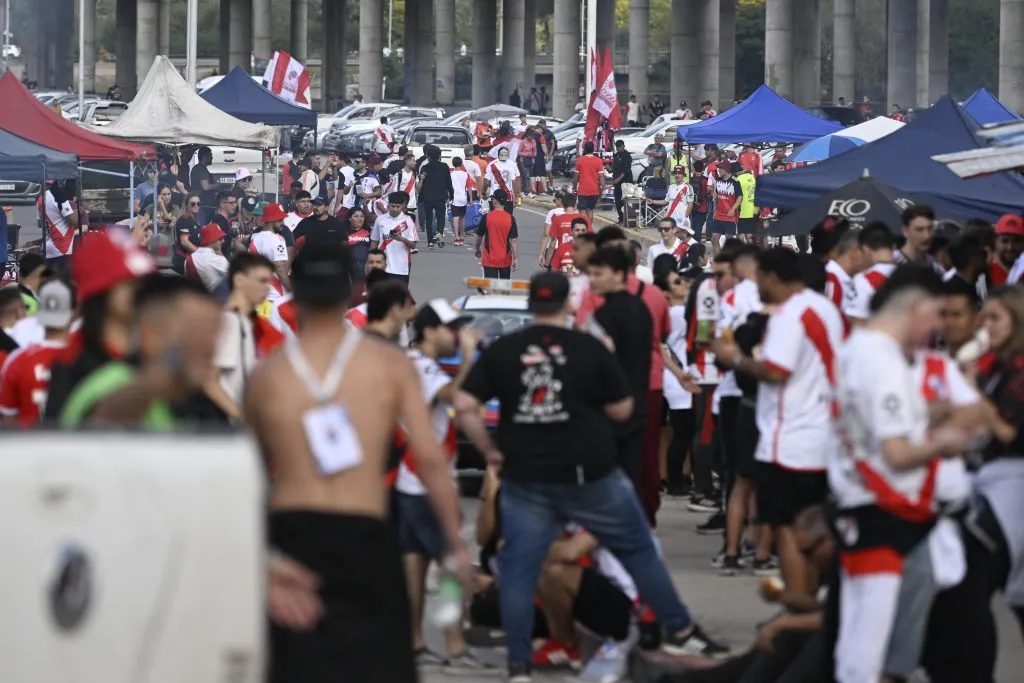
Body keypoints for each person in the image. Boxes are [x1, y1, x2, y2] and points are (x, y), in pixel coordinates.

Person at [455, 271, 727, 681]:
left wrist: (491, 450)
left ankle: (517, 662)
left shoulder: (506, 349)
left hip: (527, 475)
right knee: (638, 548)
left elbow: (464, 402)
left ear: (531, 304)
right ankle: (681, 628)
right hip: (589, 472)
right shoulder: (589, 347)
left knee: (519, 566)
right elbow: (621, 409)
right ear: (567, 303)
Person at [243, 238, 469, 683]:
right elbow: (429, 458)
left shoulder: (268, 375)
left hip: (292, 538)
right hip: (364, 531)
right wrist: (454, 542)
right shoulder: (388, 365)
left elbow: (243, 476)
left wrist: (265, 558)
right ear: (350, 291)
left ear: (296, 293)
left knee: (298, 666)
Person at [827, 265, 971, 683]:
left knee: (855, 643)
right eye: (936, 315)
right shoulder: (885, 362)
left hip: (857, 505)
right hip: (888, 513)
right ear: (915, 307)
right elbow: (897, 452)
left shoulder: (854, 349)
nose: (937, 328)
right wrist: (944, 444)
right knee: (869, 650)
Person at [711, 247, 844, 600]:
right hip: (821, 433)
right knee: (816, 528)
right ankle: (815, 603)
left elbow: (774, 370)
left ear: (771, 278)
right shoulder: (825, 309)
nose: (759, 292)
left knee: (789, 530)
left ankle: (799, 606)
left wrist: (734, 358)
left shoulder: (790, 315)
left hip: (791, 440)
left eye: (760, 283)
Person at [395, 300, 491, 673]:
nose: (456, 336)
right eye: (452, 329)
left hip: (413, 479)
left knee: (416, 563)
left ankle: (415, 643)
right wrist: (468, 357)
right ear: (430, 331)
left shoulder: (416, 362)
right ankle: (454, 645)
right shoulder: (420, 366)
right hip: (424, 482)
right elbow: (454, 397)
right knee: (452, 565)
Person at [59, 275, 223, 429]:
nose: (211, 343)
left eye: (215, 330)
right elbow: (103, 421)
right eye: (197, 330)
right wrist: (163, 373)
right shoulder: (112, 384)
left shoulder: (190, 401)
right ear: (151, 336)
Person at [201, 253, 275, 423]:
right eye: (262, 281)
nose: (268, 288)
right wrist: (242, 418)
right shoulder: (231, 321)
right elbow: (208, 380)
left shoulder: (240, 320)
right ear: (239, 280)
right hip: (228, 431)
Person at [0, 280, 73, 427]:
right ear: (70, 314)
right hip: (71, 446)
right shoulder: (81, 359)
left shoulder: (17, 359)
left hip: (27, 446)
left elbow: (7, 421)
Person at [847, 222, 900, 323]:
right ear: (893, 247)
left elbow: (856, 321)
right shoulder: (914, 275)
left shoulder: (863, 280)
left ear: (865, 249)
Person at [369, 191, 418, 285]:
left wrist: (402, 239)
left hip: (401, 268)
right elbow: (374, 241)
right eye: (393, 206)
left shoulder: (408, 221)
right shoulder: (380, 219)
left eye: (398, 207)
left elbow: (413, 245)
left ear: (402, 206)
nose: (395, 209)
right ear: (388, 205)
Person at [248, 202, 292, 304]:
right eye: (280, 220)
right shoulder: (278, 240)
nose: (283, 223)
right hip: (274, 296)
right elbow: (281, 271)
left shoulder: (255, 238)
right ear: (272, 220)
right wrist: (292, 292)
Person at [474, 189, 519, 279]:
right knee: (504, 287)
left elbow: (479, 236)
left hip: (489, 258)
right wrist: (515, 258)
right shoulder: (510, 218)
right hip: (505, 258)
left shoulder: (487, 217)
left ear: (495, 201)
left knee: (490, 286)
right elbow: (514, 240)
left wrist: (477, 248)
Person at [417, 146, 454, 249]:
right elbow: (448, 182)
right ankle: (440, 234)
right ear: (439, 156)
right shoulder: (444, 166)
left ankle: (430, 242)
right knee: (441, 217)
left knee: (429, 219)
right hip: (441, 196)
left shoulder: (425, 168)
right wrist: (451, 194)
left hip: (428, 196)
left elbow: (422, 184)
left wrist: (420, 197)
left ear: (428, 156)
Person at [184, 224, 230, 292]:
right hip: (216, 299)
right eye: (220, 238)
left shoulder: (188, 258)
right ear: (212, 240)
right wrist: (221, 254)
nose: (223, 241)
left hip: (195, 298)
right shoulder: (215, 259)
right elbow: (235, 275)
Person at [449, 157, 477, 248]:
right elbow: (469, 187)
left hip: (454, 199)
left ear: (453, 164)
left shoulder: (451, 174)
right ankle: (462, 237)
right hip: (463, 199)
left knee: (455, 218)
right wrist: (471, 199)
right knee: (462, 218)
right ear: (461, 164)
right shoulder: (465, 174)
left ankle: (456, 238)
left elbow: (448, 187)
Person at [574, 141, 605, 223]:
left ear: (584, 149)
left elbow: (576, 177)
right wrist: (603, 188)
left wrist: (574, 188)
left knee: (582, 210)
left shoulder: (579, 160)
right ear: (593, 149)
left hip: (583, 190)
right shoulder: (599, 161)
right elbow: (601, 176)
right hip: (594, 190)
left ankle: (584, 227)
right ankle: (589, 227)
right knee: (590, 209)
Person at [610, 139, 634, 226]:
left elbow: (626, 170)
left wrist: (618, 179)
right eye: (617, 147)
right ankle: (621, 218)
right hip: (617, 182)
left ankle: (627, 219)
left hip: (625, 182)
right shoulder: (616, 155)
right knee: (617, 201)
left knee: (626, 201)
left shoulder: (627, 156)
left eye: (620, 146)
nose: (618, 148)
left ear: (623, 146)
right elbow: (615, 168)